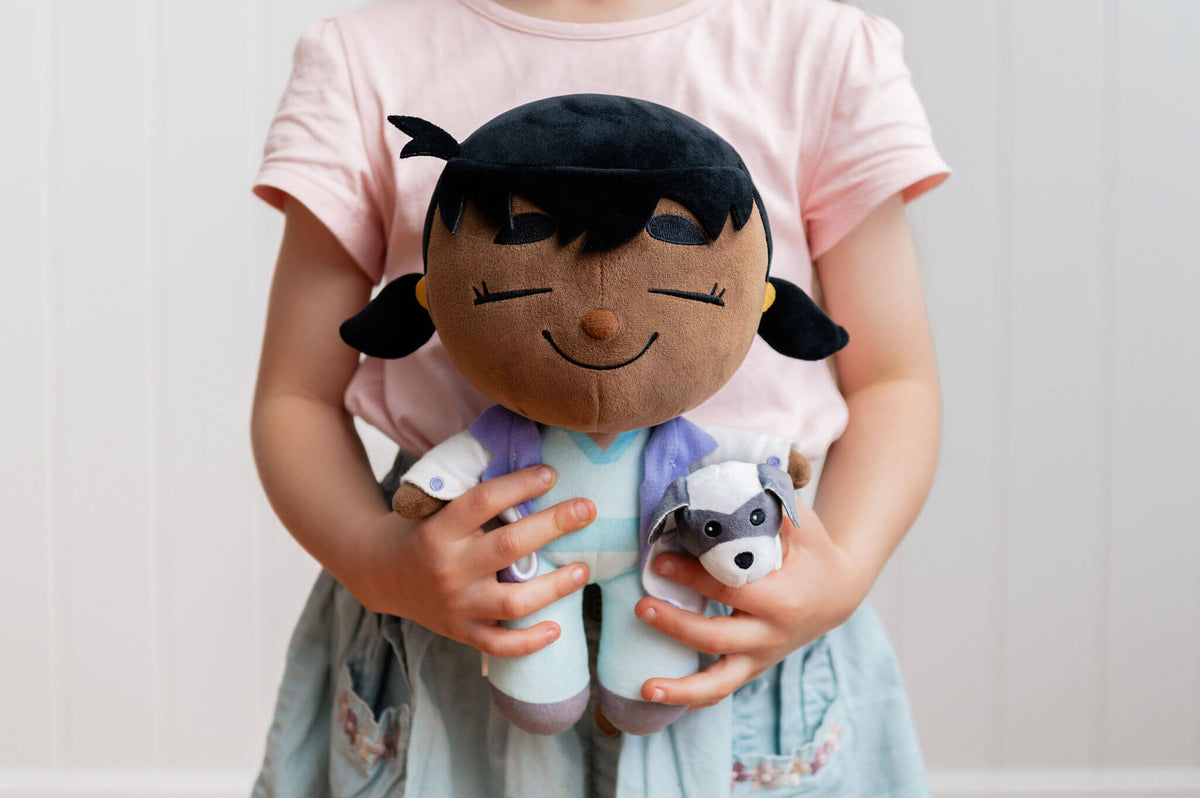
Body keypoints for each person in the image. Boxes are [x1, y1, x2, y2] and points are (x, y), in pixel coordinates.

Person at [249, 1, 948, 796]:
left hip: (746, 613)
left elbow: (893, 381)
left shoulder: (820, 52)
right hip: (445, 623)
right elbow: (297, 396)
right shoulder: (364, 58)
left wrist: (840, 574)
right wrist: (380, 563)